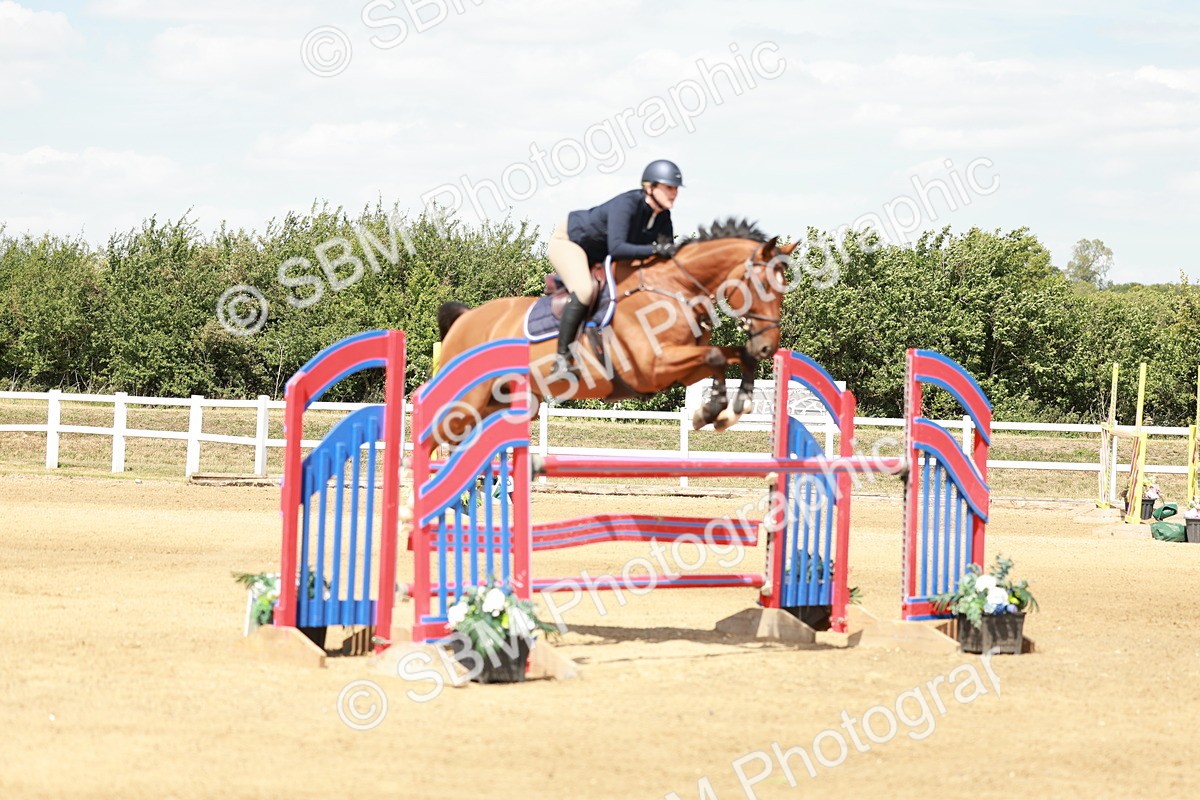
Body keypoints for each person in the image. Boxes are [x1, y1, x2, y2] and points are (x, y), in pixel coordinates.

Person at [547, 159, 684, 373]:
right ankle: (562, 360)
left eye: (675, 188)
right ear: (650, 187)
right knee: (583, 290)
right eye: (669, 187)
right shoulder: (627, 204)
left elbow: (664, 256)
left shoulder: (663, 217)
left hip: (599, 253)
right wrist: (656, 249)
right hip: (570, 242)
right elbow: (618, 248)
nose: (674, 193)